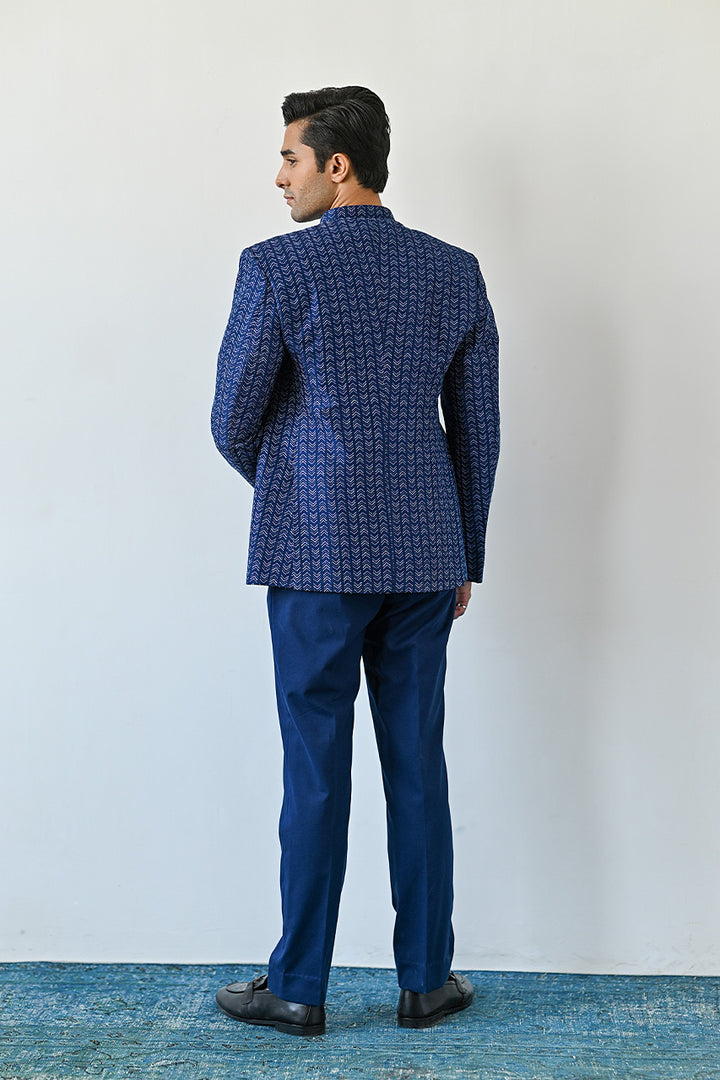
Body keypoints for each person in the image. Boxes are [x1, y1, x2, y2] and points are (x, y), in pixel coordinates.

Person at [210, 85, 500, 1037]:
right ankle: (427, 981)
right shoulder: (454, 271)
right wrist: (466, 550)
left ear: (338, 166)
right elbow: (479, 431)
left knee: (315, 772)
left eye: (290, 157)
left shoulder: (275, 267)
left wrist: (300, 487)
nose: (279, 176)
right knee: (418, 765)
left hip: (314, 557)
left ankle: (297, 987)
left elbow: (230, 419)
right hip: (425, 556)